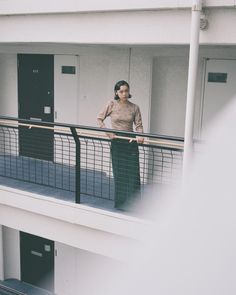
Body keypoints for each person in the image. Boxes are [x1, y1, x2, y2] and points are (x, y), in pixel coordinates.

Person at [97, 80, 144, 210]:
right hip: (117, 143)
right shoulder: (111, 104)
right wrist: (108, 133)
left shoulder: (135, 107)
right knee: (120, 174)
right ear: (116, 93)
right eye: (121, 91)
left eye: (126, 91)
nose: (124, 93)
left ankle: (135, 205)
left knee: (133, 174)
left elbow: (139, 125)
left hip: (130, 143)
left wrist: (140, 136)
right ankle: (122, 204)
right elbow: (99, 118)